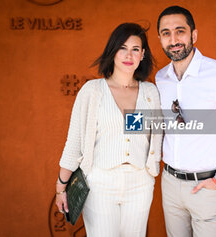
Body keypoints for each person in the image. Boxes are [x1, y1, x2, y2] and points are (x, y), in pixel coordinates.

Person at [155, 6, 216, 237]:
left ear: (194, 35)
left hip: (208, 187)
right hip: (170, 184)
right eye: (166, 33)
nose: (174, 39)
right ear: (160, 39)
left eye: (180, 31)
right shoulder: (161, 78)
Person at [55, 23, 162, 237]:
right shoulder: (92, 91)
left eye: (135, 49)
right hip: (100, 183)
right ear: (112, 51)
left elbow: (151, 137)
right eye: (122, 47)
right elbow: (74, 143)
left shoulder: (150, 93)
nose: (128, 54)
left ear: (143, 55)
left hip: (140, 182)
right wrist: (61, 186)